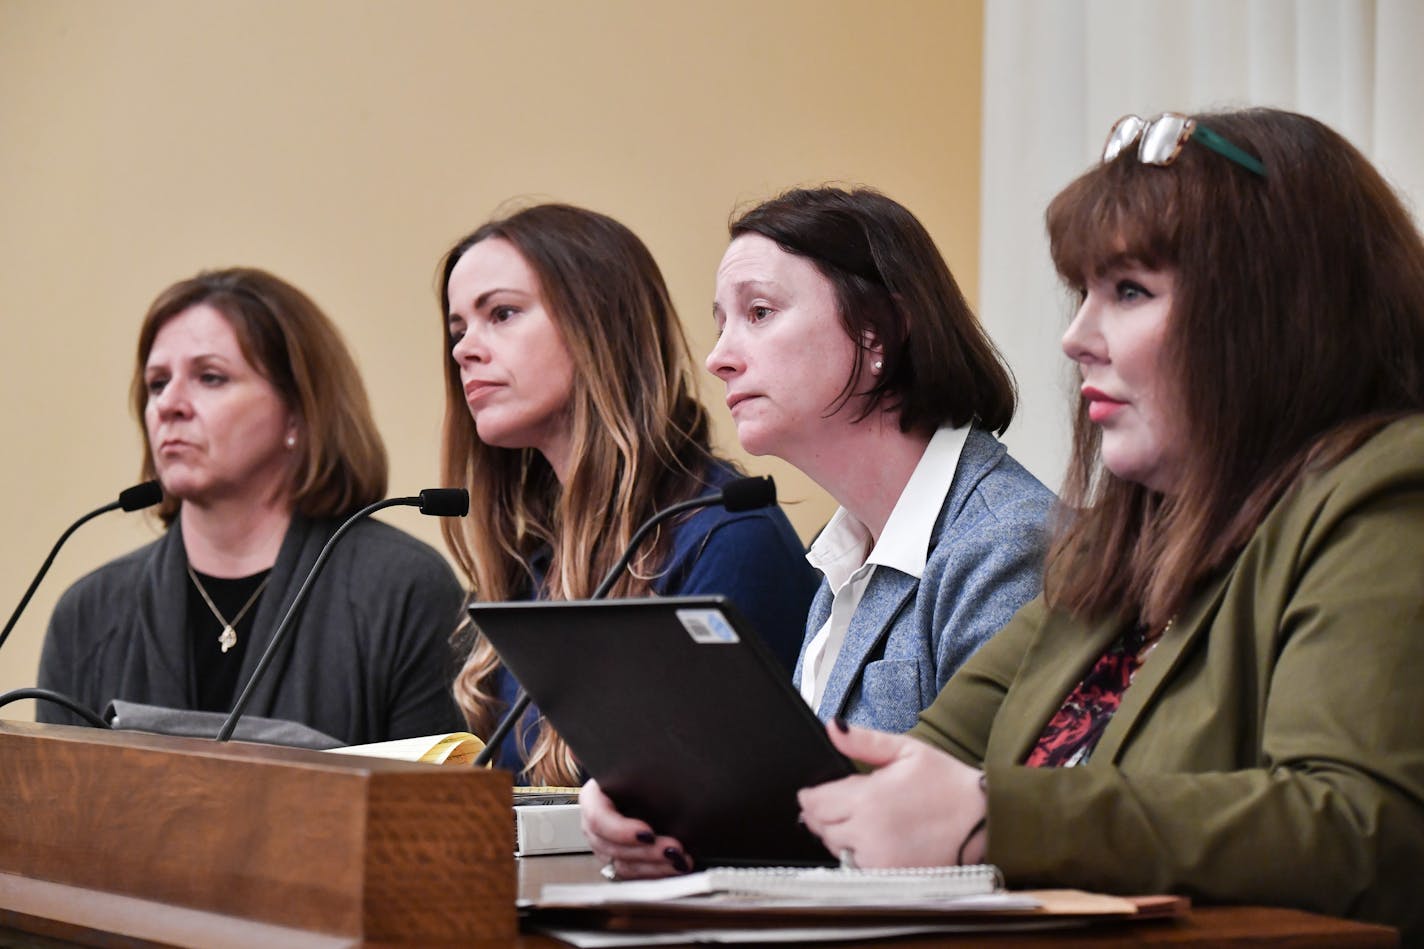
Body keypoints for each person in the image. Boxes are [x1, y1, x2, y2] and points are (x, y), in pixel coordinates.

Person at [790, 110, 1424, 939]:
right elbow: (919, 757)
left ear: (1272, 315)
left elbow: (1354, 825)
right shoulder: (1120, 537)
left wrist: (997, 819)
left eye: (1129, 292)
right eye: (1082, 292)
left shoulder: (1382, 490)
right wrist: (689, 792)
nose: (1075, 336)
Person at [583, 186, 1055, 876]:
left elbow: (990, 841)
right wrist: (656, 809)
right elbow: (809, 808)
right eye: (722, 322)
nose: (719, 356)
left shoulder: (1008, 542)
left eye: (760, 313)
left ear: (877, 334)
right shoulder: (844, 556)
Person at [439, 203, 819, 787]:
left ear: (600, 324)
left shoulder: (726, 539)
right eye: (458, 329)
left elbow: (724, 808)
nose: (465, 349)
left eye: (503, 313)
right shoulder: (525, 564)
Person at [37, 268, 466, 745]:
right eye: (157, 383)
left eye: (210, 377)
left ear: (299, 414)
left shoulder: (402, 589)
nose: (169, 405)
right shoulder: (89, 613)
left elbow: (437, 810)